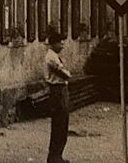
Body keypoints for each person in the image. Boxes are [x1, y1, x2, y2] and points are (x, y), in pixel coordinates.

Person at [45, 31, 71, 163]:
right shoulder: (51, 57)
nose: (62, 45)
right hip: (57, 91)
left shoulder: (55, 55)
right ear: (54, 43)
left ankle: (58, 155)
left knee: (63, 124)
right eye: (60, 42)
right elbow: (65, 73)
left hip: (61, 89)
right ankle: (54, 156)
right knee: (59, 124)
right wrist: (67, 73)